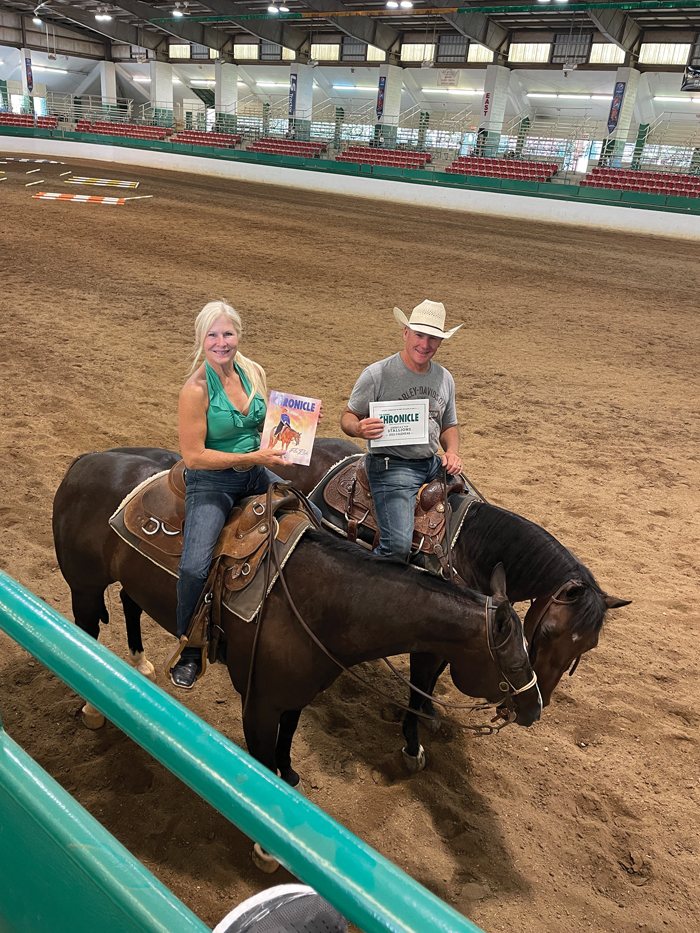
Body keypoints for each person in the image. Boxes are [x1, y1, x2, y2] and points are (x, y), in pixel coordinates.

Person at [172, 300, 290, 690]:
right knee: (193, 565)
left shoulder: (253, 371)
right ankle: (190, 645)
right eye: (213, 335)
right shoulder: (195, 389)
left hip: (253, 470)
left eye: (228, 333)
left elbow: (268, 423)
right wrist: (254, 455)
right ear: (201, 340)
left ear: (238, 335)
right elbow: (194, 455)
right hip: (212, 481)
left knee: (312, 518)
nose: (221, 342)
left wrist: (294, 428)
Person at [340, 299, 463, 563]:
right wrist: (359, 428)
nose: (425, 345)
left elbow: (448, 425)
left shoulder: (445, 378)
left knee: (470, 516)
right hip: (392, 466)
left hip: (432, 463)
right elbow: (348, 417)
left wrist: (452, 452)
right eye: (419, 335)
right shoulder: (377, 374)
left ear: (440, 342)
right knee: (397, 546)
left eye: (433, 339)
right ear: (406, 333)